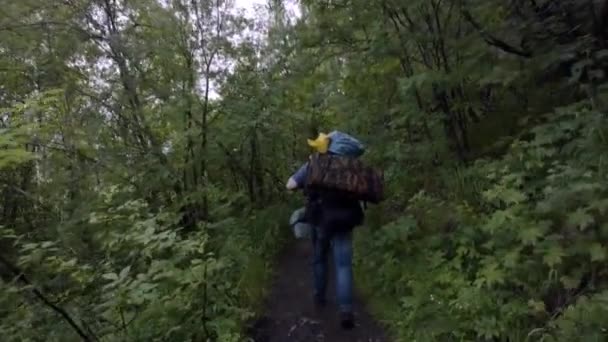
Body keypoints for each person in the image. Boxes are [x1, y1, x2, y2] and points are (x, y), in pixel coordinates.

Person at [286, 131, 364, 330]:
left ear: (327, 145)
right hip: (345, 219)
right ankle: (346, 310)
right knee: (343, 265)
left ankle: (320, 297)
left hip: (320, 220)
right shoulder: (352, 165)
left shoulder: (315, 163)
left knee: (320, 258)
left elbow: (290, 185)